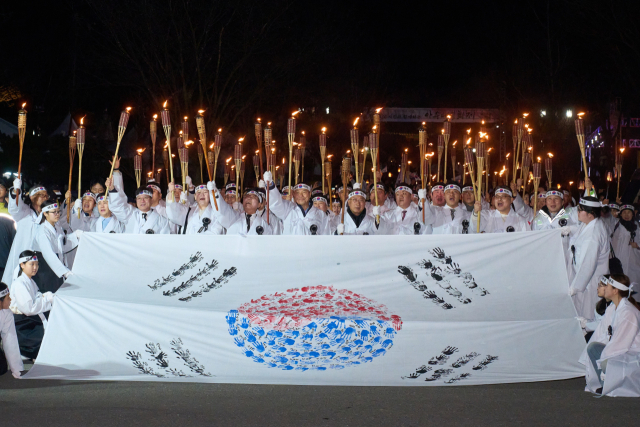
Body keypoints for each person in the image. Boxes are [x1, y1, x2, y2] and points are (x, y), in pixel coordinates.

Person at [580, 274, 640, 396]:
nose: (604, 289)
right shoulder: (612, 309)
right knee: (593, 348)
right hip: (618, 349)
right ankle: (605, 384)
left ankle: (610, 384)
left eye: (606, 286)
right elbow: (601, 333)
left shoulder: (628, 313)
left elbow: (622, 343)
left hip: (631, 353)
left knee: (606, 361)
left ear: (615, 290)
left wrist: (604, 357)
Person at [567, 196, 610, 321]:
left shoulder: (593, 235)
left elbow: (588, 263)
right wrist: (570, 229)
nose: (577, 212)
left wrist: (575, 287)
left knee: (587, 315)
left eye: (580, 210)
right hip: (583, 279)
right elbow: (581, 232)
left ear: (590, 214)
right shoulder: (590, 223)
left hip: (588, 282)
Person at [9, 251, 54, 361]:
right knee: (45, 344)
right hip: (23, 325)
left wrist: (44, 297)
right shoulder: (19, 284)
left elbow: (37, 298)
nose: (35, 267)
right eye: (32, 264)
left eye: (37, 264)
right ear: (22, 265)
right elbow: (29, 309)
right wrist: (46, 300)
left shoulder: (31, 282)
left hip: (31, 320)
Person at [2, 182, 49, 286]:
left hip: (41, 261)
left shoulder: (47, 215)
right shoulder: (24, 212)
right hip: (25, 257)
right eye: (41, 195)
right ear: (32, 197)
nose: (45, 197)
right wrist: (15, 191)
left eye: (46, 195)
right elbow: (14, 208)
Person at [33, 200, 79, 292]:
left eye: (58, 211)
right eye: (54, 212)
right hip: (45, 267)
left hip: (56, 264)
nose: (57, 214)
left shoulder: (57, 226)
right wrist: (64, 271)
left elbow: (62, 245)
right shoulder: (42, 231)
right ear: (45, 213)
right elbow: (48, 254)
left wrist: (76, 236)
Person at [265, 172, 330, 235]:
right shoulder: (288, 209)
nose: (300, 195)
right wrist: (270, 185)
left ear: (310, 194)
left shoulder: (321, 215)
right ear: (294, 195)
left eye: (304, 192)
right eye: (297, 193)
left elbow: (326, 236)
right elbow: (275, 204)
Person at [105, 178, 171, 234]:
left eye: (145, 198)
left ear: (151, 200)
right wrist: (112, 190)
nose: (142, 201)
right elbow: (117, 207)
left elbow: (164, 241)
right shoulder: (130, 215)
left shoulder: (162, 221)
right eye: (139, 198)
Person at [610, 204, 640, 285]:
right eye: (624, 212)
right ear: (620, 214)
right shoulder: (615, 224)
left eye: (629, 212)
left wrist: (637, 246)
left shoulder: (637, 227)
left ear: (633, 214)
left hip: (633, 263)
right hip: (617, 262)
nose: (626, 215)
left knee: (632, 285)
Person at [0, 281, 23, 378]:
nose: (10, 299)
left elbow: (10, 340)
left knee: (2, 368)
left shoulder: (7, 313)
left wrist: (16, 369)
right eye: (8, 297)